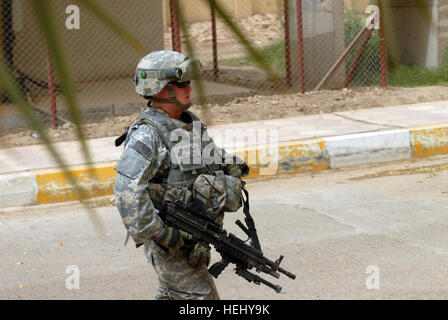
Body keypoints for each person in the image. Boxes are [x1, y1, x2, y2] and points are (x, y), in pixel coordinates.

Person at [114, 50, 249, 300]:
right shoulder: (148, 135)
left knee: (171, 294)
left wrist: (229, 165)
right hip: (171, 240)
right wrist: (161, 234)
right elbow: (126, 191)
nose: (189, 88)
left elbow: (207, 158)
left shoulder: (187, 123)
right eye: (181, 83)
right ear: (161, 88)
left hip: (195, 233)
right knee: (201, 298)